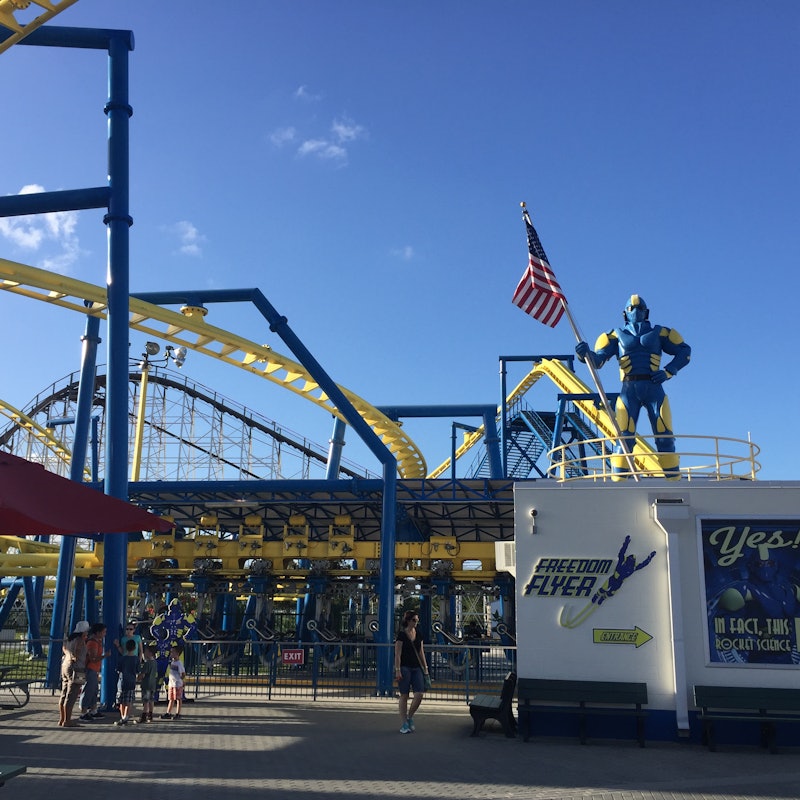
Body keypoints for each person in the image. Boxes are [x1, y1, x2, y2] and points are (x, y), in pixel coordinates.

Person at [575, 294, 691, 479]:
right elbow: (598, 361)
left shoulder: (661, 333)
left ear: (646, 312)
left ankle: (674, 481)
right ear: (625, 313)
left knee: (665, 437)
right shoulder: (614, 335)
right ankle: (619, 482)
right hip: (629, 389)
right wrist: (585, 354)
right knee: (624, 438)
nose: (636, 311)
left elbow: (685, 352)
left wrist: (669, 371)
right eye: (631, 308)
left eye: (639, 308)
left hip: (654, 387)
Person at [394, 610, 429, 734]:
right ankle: (404, 722)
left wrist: (425, 668)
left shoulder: (418, 634)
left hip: (416, 667)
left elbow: (421, 652)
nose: (416, 622)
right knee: (404, 695)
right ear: (408, 621)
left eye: (417, 620)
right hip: (404, 667)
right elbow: (398, 654)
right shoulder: (401, 635)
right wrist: (397, 670)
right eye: (414, 620)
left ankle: (410, 716)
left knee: (419, 694)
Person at [58, 620, 89, 727]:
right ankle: (67, 720)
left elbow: (64, 648)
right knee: (72, 694)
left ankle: (62, 719)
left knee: (64, 692)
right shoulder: (80, 640)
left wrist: (69, 655)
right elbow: (77, 651)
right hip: (77, 668)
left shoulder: (70, 639)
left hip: (65, 666)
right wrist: (75, 656)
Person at [79, 623, 110, 722]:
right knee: (89, 690)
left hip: (94, 669)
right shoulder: (93, 643)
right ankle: (83, 712)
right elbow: (93, 658)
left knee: (94, 690)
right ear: (98, 632)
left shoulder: (96, 642)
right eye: (103, 632)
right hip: (90, 668)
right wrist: (105, 656)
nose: (105, 634)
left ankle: (93, 710)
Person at [115, 638, 139, 726]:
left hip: (122, 681)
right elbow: (137, 670)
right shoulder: (136, 659)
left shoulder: (122, 658)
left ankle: (122, 717)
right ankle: (126, 716)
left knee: (121, 701)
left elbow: (118, 670)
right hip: (131, 681)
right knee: (129, 701)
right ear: (135, 648)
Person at [136, 645, 159, 723]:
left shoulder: (147, 663)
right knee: (151, 700)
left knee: (145, 701)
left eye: (145, 652)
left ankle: (144, 716)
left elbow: (143, 674)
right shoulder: (155, 662)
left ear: (150, 653)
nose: (144, 653)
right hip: (153, 684)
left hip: (146, 684)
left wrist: (138, 678)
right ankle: (150, 714)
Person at [162, 645, 186, 719]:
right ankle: (168, 712)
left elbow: (183, 673)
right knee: (171, 699)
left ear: (177, 653)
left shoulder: (179, 663)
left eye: (173, 652)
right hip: (171, 684)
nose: (171, 654)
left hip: (177, 684)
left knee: (178, 699)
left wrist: (180, 680)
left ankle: (178, 713)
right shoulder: (172, 662)